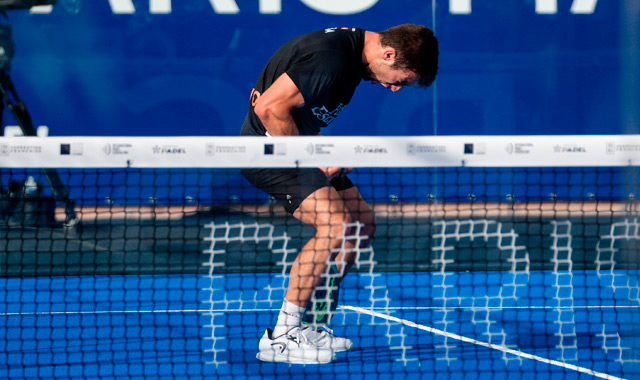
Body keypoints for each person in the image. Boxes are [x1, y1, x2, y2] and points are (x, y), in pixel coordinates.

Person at [240, 24, 439, 364]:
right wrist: (316, 158)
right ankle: (282, 336)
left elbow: (301, 112)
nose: (394, 89)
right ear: (388, 54)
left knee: (360, 224)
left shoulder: (351, 57)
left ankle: (313, 325)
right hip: (268, 152)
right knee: (335, 226)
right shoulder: (331, 58)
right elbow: (270, 109)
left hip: (295, 145)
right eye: (400, 80)